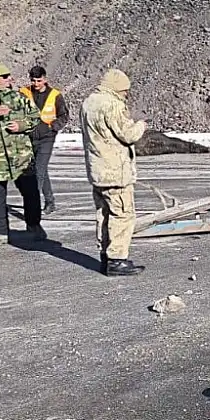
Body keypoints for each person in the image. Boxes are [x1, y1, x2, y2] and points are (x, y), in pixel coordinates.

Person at [80, 68, 147, 276]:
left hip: (97, 169)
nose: (126, 95)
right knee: (122, 214)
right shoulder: (112, 104)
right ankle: (117, 259)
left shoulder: (88, 102)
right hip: (115, 171)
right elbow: (127, 135)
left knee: (103, 214)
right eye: (125, 91)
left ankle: (106, 255)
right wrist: (141, 126)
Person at [0, 62, 46, 247]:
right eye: (5, 76)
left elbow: (34, 116)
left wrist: (21, 126)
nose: (10, 79)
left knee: (30, 192)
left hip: (20, 155)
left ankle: (34, 225)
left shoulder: (17, 97)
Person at [19, 65, 68, 214]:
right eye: (33, 80)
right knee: (41, 169)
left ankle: (32, 206)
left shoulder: (55, 95)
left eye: (39, 80)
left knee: (38, 172)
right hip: (29, 137)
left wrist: (52, 127)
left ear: (44, 79)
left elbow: (64, 116)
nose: (36, 83)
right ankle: (50, 201)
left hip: (47, 137)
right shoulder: (24, 93)